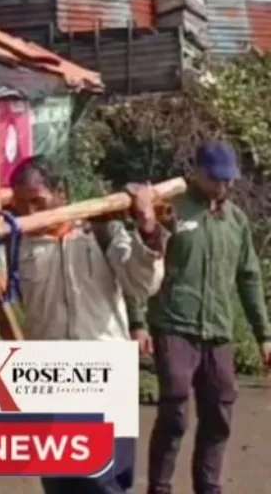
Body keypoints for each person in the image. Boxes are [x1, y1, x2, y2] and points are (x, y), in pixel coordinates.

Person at [9, 156, 165, 494]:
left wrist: (147, 224)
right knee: (60, 481)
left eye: (38, 200)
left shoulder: (102, 231)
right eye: (22, 205)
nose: (31, 211)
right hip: (49, 377)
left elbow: (144, 284)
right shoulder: (14, 245)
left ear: (61, 194)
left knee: (102, 479)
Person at [146, 142, 271, 494]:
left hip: (218, 330)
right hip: (174, 324)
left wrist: (264, 335)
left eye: (229, 180)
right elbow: (142, 262)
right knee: (174, 411)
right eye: (217, 179)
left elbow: (249, 277)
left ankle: (209, 488)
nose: (224, 187)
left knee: (219, 414)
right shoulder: (172, 208)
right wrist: (138, 322)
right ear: (198, 172)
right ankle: (159, 488)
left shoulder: (235, 220)